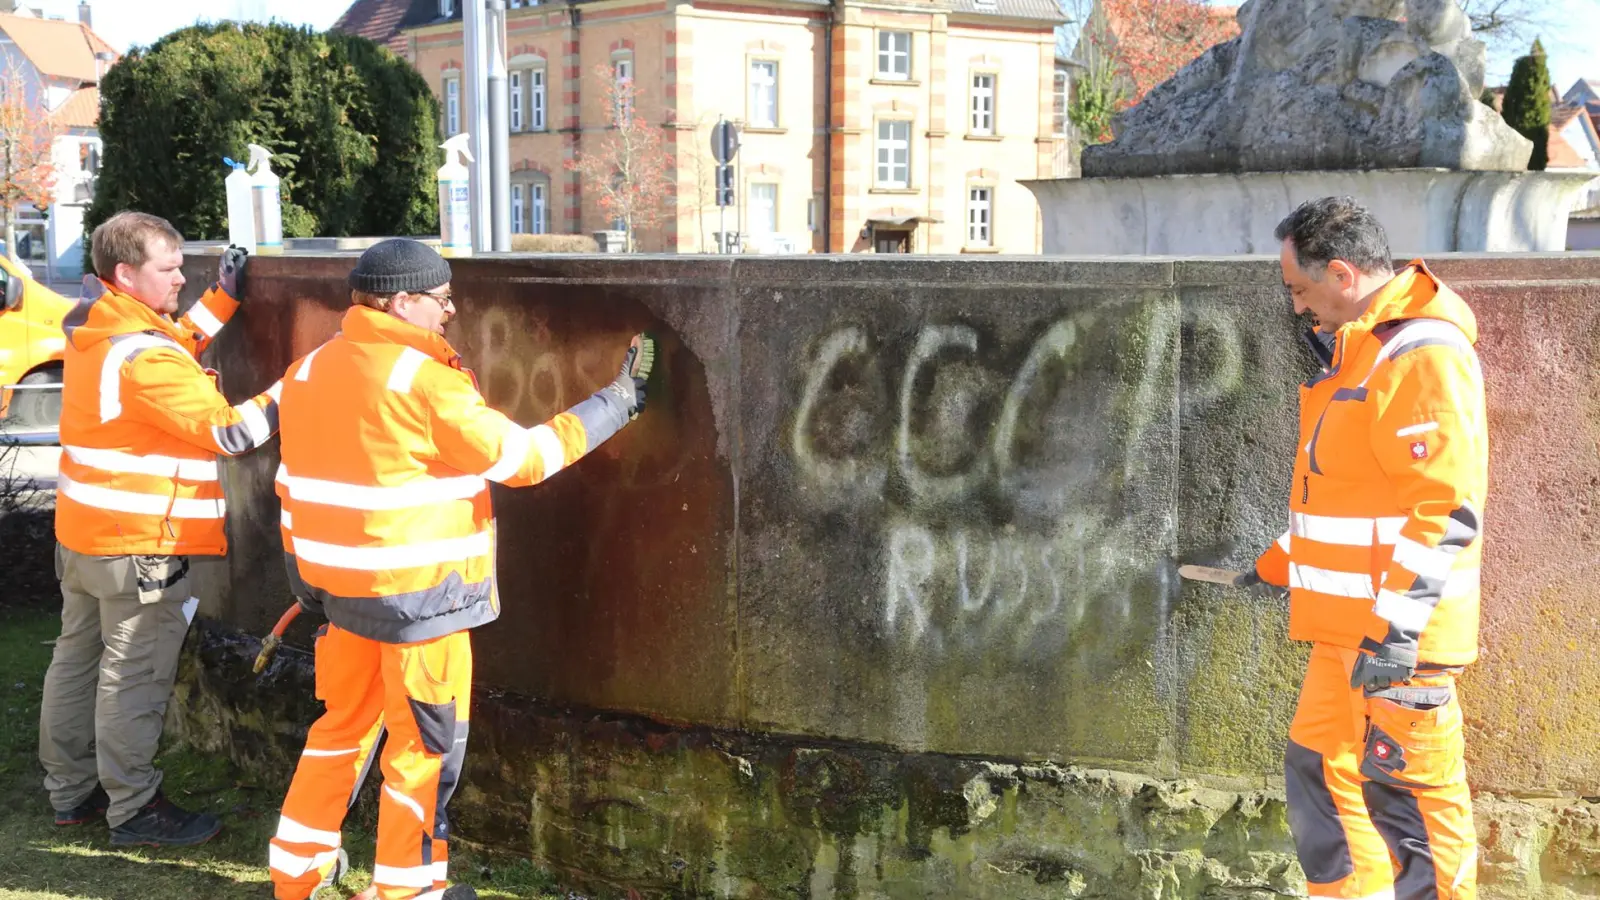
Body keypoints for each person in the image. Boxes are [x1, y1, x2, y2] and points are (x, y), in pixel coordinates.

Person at [266, 239, 653, 900]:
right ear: (401, 301)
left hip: (343, 599)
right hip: (422, 606)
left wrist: (307, 575)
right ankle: (409, 892)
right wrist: (620, 400)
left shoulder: (308, 371)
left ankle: (295, 877)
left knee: (339, 732)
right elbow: (524, 460)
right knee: (422, 752)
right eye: (440, 298)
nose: (450, 311)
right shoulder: (423, 381)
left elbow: (291, 485)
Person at [1241, 196, 1487, 898]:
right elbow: (1350, 499)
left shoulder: (1418, 354)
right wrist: (1274, 565)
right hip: (1352, 633)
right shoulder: (1364, 351)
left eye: (1299, 289)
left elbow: (1445, 507)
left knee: (1410, 809)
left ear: (1342, 273)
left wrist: (1398, 635)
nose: (1296, 308)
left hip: (1395, 639)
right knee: (1320, 773)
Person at [40, 211, 282, 847]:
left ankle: (72, 793)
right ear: (126, 273)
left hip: (86, 538)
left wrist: (222, 297)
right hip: (140, 548)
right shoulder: (144, 356)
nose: (183, 277)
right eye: (169, 268)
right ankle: (135, 807)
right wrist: (309, 384)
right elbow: (230, 431)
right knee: (134, 675)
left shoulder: (103, 326)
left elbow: (171, 345)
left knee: (77, 663)